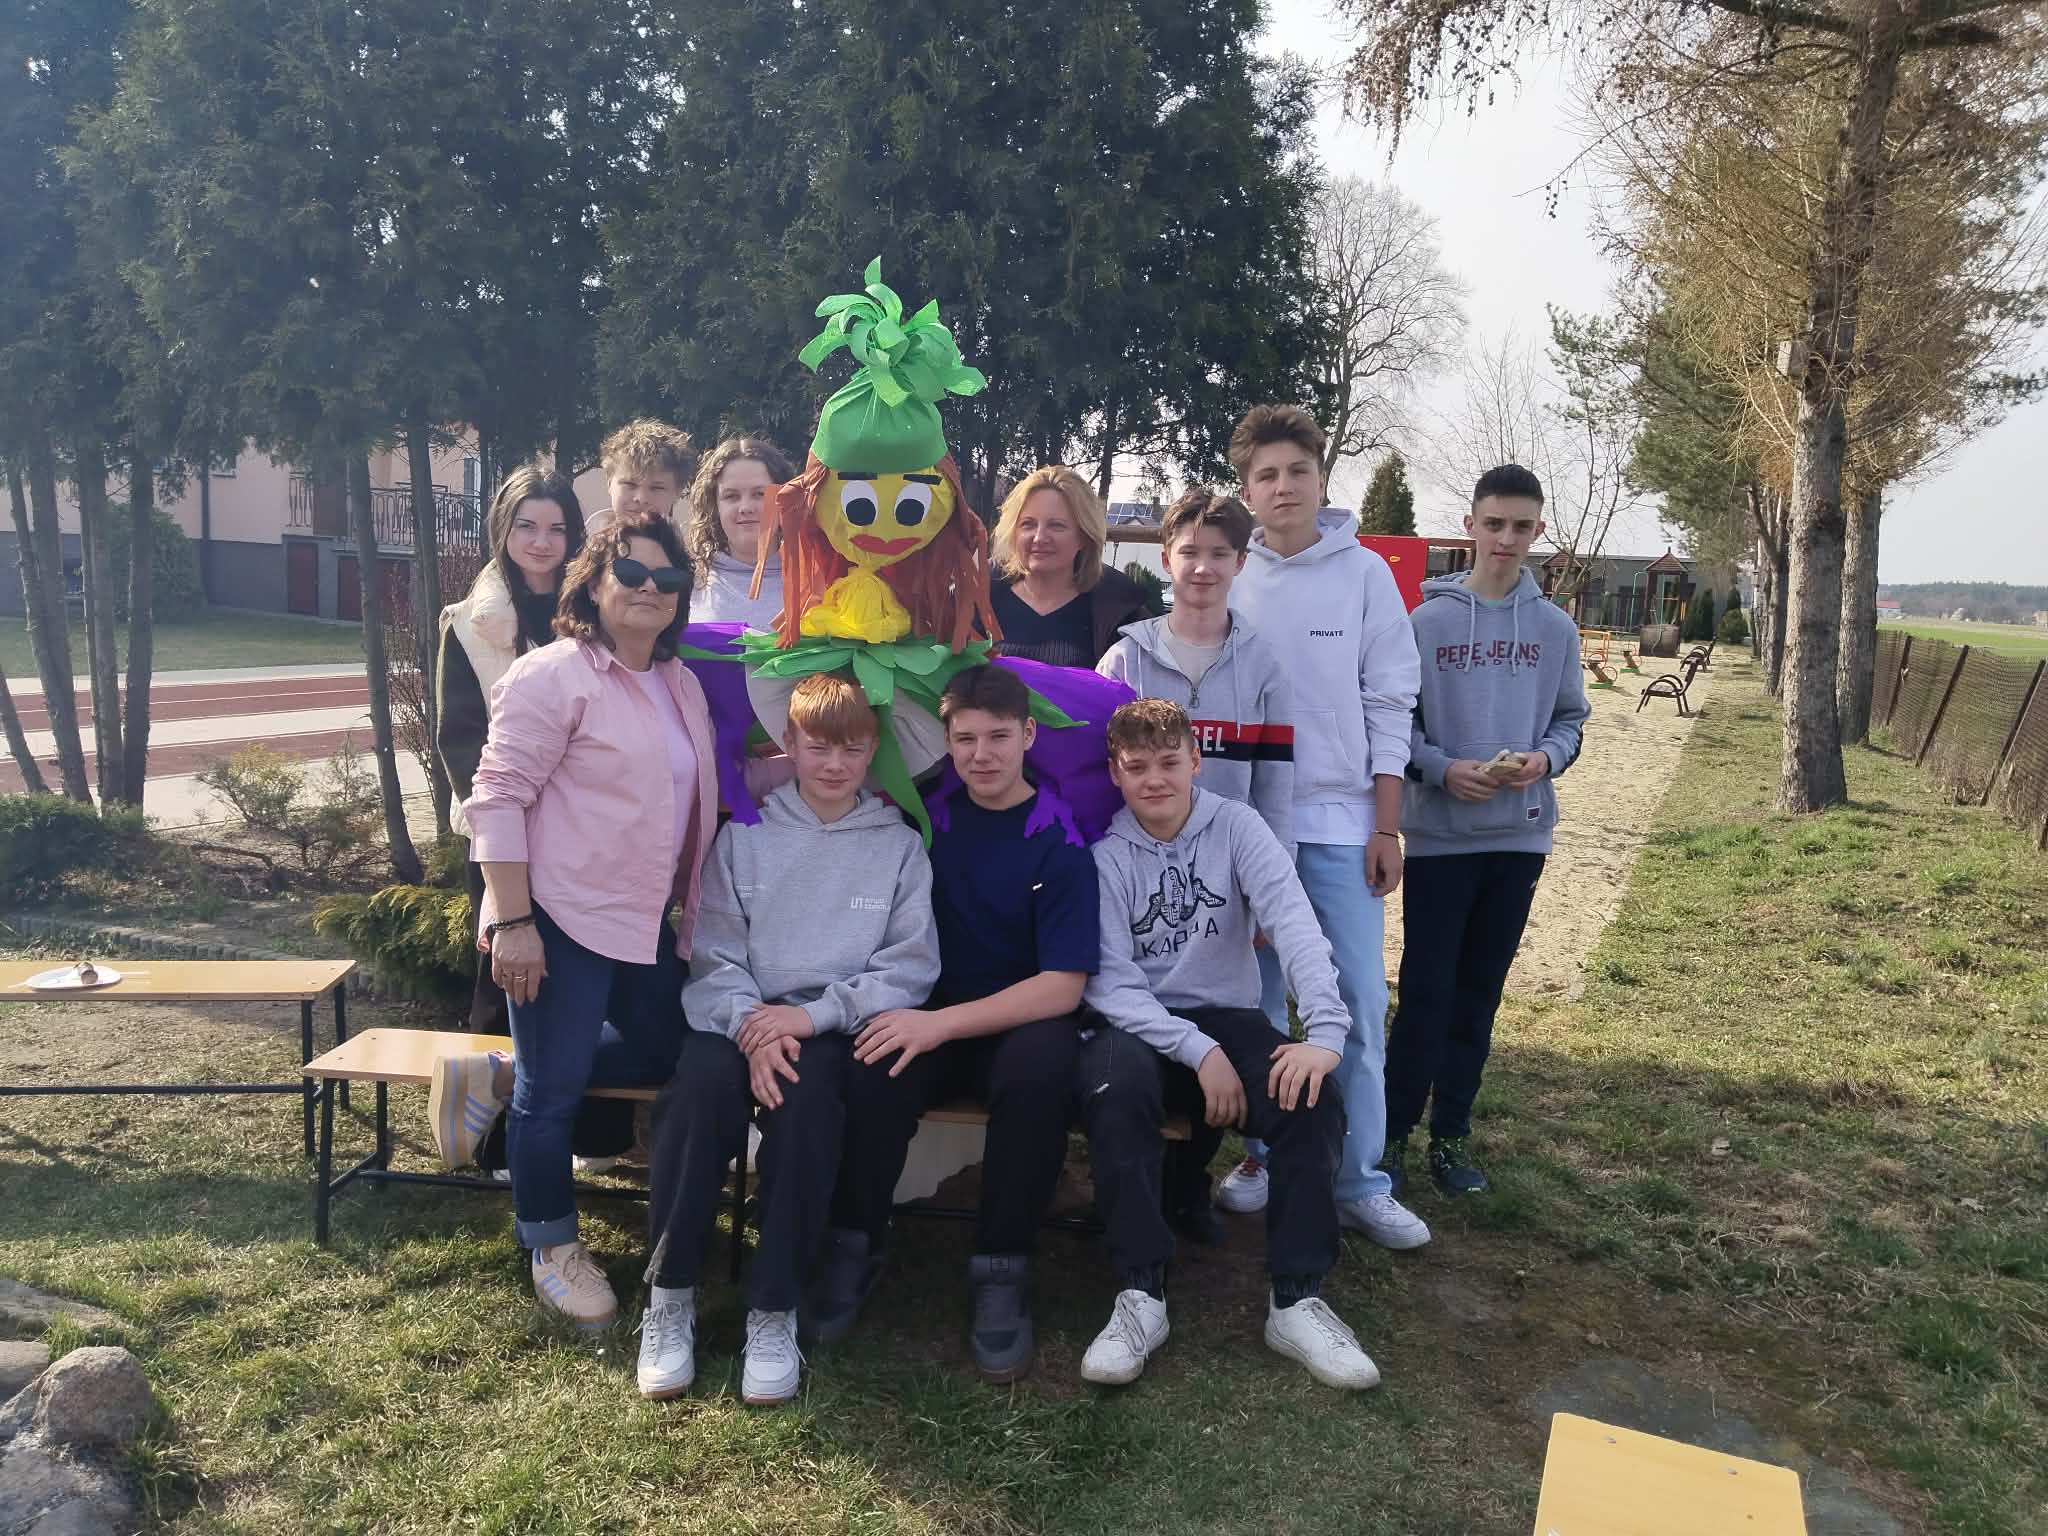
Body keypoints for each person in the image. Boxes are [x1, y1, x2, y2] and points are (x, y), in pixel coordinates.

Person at [426, 512, 720, 1330]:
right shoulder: (553, 674)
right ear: (594, 581)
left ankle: (504, 1073)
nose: (650, 589)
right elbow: (495, 799)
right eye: (631, 572)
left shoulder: (680, 683)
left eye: (667, 578)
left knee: (667, 1049)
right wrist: (512, 921)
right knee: (552, 1096)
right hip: (556, 916)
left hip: (643, 920)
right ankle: (551, 1244)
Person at [638, 673, 939, 1406]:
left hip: (826, 1025)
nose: (835, 764)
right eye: (818, 747)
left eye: (852, 750)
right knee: (698, 1093)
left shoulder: (899, 847)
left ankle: (773, 1308)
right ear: (790, 745)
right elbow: (713, 952)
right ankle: (670, 1295)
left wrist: (808, 1019)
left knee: (807, 1110)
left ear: (874, 751)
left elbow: (908, 967)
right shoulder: (744, 837)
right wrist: (751, 1024)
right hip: (737, 1019)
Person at [1074, 698, 1380, 1391]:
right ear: (1116, 774)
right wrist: (1198, 1051)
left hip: (1228, 1014)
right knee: (1114, 1092)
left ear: (1196, 761)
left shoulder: (1237, 827)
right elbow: (1111, 983)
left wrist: (1324, 1033)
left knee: (1311, 1099)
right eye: (1136, 767)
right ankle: (1140, 1291)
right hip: (1140, 1021)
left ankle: (1297, 1300)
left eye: (1169, 762)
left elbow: (1294, 924)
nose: (1155, 779)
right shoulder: (1104, 857)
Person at [809, 663, 1097, 1382]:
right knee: (872, 1067)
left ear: (1028, 735)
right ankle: (853, 1242)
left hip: (1018, 1018)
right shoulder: (922, 816)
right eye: (965, 739)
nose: (981, 754)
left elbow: (1063, 986)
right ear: (945, 741)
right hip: (924, 1006)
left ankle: (1002, 1265)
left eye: (998, 737)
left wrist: (941, 1026)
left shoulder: (1059, 837)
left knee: (1041, 1077)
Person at [1215, 405, 1430, 1253]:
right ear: (1246, 491)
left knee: (1356, 1004)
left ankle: (1360, 1180)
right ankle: (1266, 1156)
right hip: (1248, 826)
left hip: (1343, 824)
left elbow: (1391, 700)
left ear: (1322, 478)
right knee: (1258, 1002)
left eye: (1297, 471)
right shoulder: (1231, 573)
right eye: (1265, 475)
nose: (1283, 487)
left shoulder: (1366, 575)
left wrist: (1387, 826)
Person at [1384, 464, 1588, 1196]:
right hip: (1440, 838)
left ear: (1538, 532)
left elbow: (1571, 721)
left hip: (1517, 837)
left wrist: (1545, 759)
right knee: (1425, 991)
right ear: (1470, 526)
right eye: (1494, 523)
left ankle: (1451, 1135)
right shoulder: (1424, 625)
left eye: (1521, 526)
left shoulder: (1555, 629)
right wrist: (1441, 769)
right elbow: (1395, 723)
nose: (1506, 538)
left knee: (1479, 995)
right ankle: (1391, 1134)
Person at [436, 467, 586, 1035]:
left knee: (579, 975)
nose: (541, 542)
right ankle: (493, 1088)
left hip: (585, 828)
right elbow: (459, 738)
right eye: (527, 526)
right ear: (503, 528)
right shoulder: (467, 625)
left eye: (556, 529)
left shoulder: (597, 614)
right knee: (504, 976)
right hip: (502, 833)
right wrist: (502, 819)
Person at [1095, 488, 1293, 850]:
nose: (1203, 568)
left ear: (1240, 561)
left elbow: (1275, 787)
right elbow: (1099, 773)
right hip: (1139, 862)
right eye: (1189, 552)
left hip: (1233, 861)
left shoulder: (1264, 666)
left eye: (1219, 554)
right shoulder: (1123, 661)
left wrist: (1279, 860)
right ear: (1166, 560)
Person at [988, 465, 1157, 668]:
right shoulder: (979, 597)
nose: (1039, 537)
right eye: (1028, 524)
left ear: (1084, 536)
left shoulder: (1118, 613)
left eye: (1056, 525)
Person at [685, 435, 797, 628]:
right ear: (715, 506)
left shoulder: (817, 580)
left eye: (759, 494)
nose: (745, 507)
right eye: (731, 496)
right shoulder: (687, 580)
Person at [591, 418, 696, 536]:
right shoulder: (580, 544)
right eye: (630, 484)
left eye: (656, 488)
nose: (641, 498)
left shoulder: (683, 548)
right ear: (609, 483)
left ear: (677, 493)